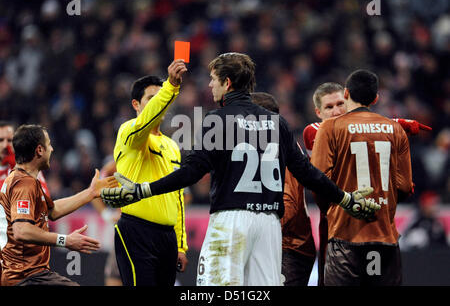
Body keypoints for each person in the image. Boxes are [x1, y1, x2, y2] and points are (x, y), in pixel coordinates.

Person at [101, 52, 379, 286]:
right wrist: (345, 198)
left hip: (231, 222)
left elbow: (192, 172)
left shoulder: (217, 120)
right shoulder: (276, 122)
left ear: (227, 82)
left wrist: (143, 190)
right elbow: (307, 173)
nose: (210, 86)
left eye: (213, 79)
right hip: (269, 226)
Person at [303, 82, 432, 285]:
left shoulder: (359, 128)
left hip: (369, 225)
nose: (336, 111)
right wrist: (395, 122)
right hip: (336, 225)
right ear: (318, 112)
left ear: (349, 101)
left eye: (340, 104)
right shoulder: (315, 131)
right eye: (329, 107)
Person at [0, 124, 117, 286]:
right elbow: (22, 230)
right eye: (48, 144)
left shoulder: (25, 180)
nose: (52, 149)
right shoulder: (24, 184)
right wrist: (65, 240)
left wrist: (90, 193)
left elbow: (52, 211)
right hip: (24, 276)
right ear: (39, 150)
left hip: (31, 274)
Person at [110, 59, 189, 286]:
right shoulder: (129, 133)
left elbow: (178, 198)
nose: (159, 104)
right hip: (136, 230)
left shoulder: (172, 146)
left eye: (160, 99)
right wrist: (170, 89)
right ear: (136, 104)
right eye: (151, 99)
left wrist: (181, 245)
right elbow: (146, 122)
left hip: (167, 238)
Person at [250, 92, 315, 286]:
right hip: (281, 244)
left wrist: (260, 234)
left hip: (288, 247)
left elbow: (288, 201)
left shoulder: (277, 147)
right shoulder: (267, 145)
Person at [0, 121, 51, 285]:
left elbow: (44, 205)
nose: (5, 145)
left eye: (9, 140)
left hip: (18, 253)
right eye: (1, 140)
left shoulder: (25, 171)